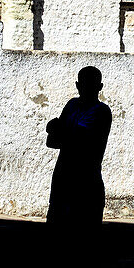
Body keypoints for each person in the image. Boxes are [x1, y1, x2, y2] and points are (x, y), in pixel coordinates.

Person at [46, 65, 112, 243]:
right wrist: (61, 132)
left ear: (99, 87)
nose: (86, 89)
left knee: (82, 240)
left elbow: (78, 140)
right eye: (84, 84)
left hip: (85, 183)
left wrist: (58, 129)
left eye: (90, 85)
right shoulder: (72, 105)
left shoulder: (101, 111)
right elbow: (53, 141)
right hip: (64, 182)